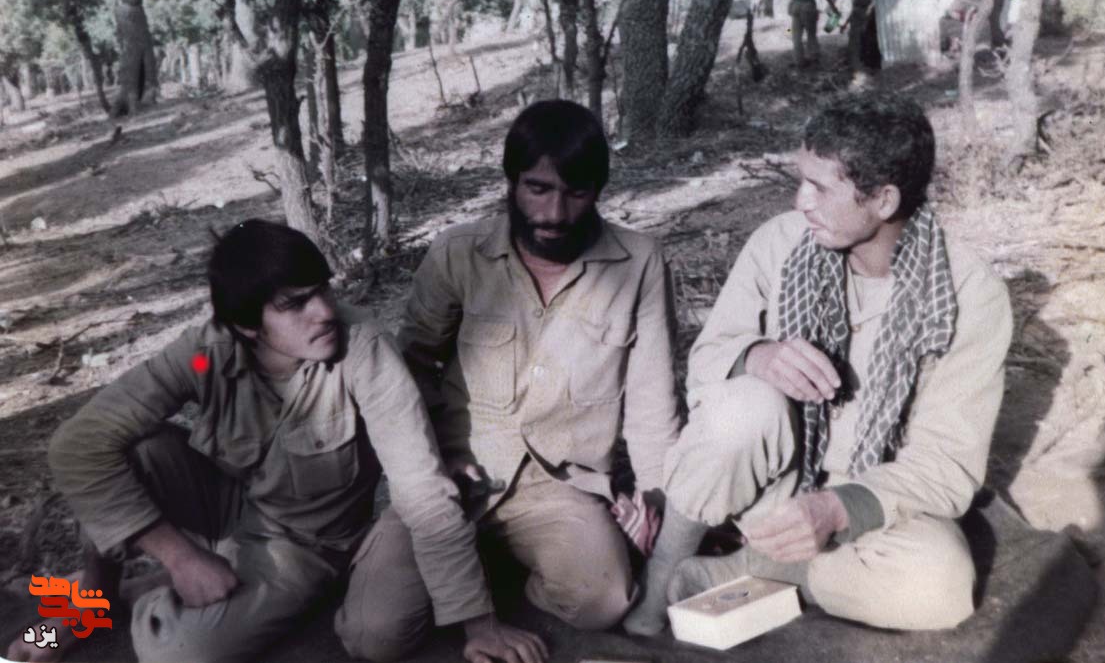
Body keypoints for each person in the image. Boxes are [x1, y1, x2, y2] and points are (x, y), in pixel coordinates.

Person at [6, 220, 544, 663]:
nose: (324, 311)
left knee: (179, 653)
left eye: (323, 290)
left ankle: (158, 599)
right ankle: (88, 602)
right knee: (130, 454)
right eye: (295, 304)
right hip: (227, 511)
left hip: (307, 546)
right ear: (246, 324)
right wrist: (178, 556)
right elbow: (77, 445)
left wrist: (481, 626)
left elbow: (421, 490)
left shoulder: (361, 350)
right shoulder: (205, 355)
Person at [624, 96, 1013, 635]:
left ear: (884, 200)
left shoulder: (969, 293)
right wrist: (757, 357)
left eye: (820, 188)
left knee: (939, 587)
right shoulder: (780, 243)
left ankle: (751, 569)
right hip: (770, 488)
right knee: (740, 408)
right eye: (800, 180)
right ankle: (665, 569)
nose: (800, 201)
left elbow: (945, 464)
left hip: (875, 504)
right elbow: (707, 360)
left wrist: (837, 509)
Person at [397, 100, 680, 632]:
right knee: (374, 632)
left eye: (576, 193)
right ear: (510, 181)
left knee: (603, 599)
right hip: (454, 480)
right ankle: (484, 569)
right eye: (537, 188)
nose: (554, 214)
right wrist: (434, 460)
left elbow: (652, 399)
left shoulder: (640, 261)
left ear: (598, 190)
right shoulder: (457, 252)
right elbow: (407, 372)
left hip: (561, 489)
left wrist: (653, 501)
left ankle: (516, 572)